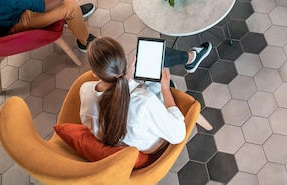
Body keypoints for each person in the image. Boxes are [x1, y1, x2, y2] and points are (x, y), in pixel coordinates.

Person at [79, 37, 212, 153]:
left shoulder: (85, 90)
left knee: (151, 65)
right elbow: (178, 134)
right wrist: (165, 89)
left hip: (129, 139)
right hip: (151, 143)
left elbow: (115, 100)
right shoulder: (144, 101)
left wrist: (127, 79)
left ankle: (191, 58)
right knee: (158, 58)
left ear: (94, 73)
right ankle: (191, 58)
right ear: (123, 62)